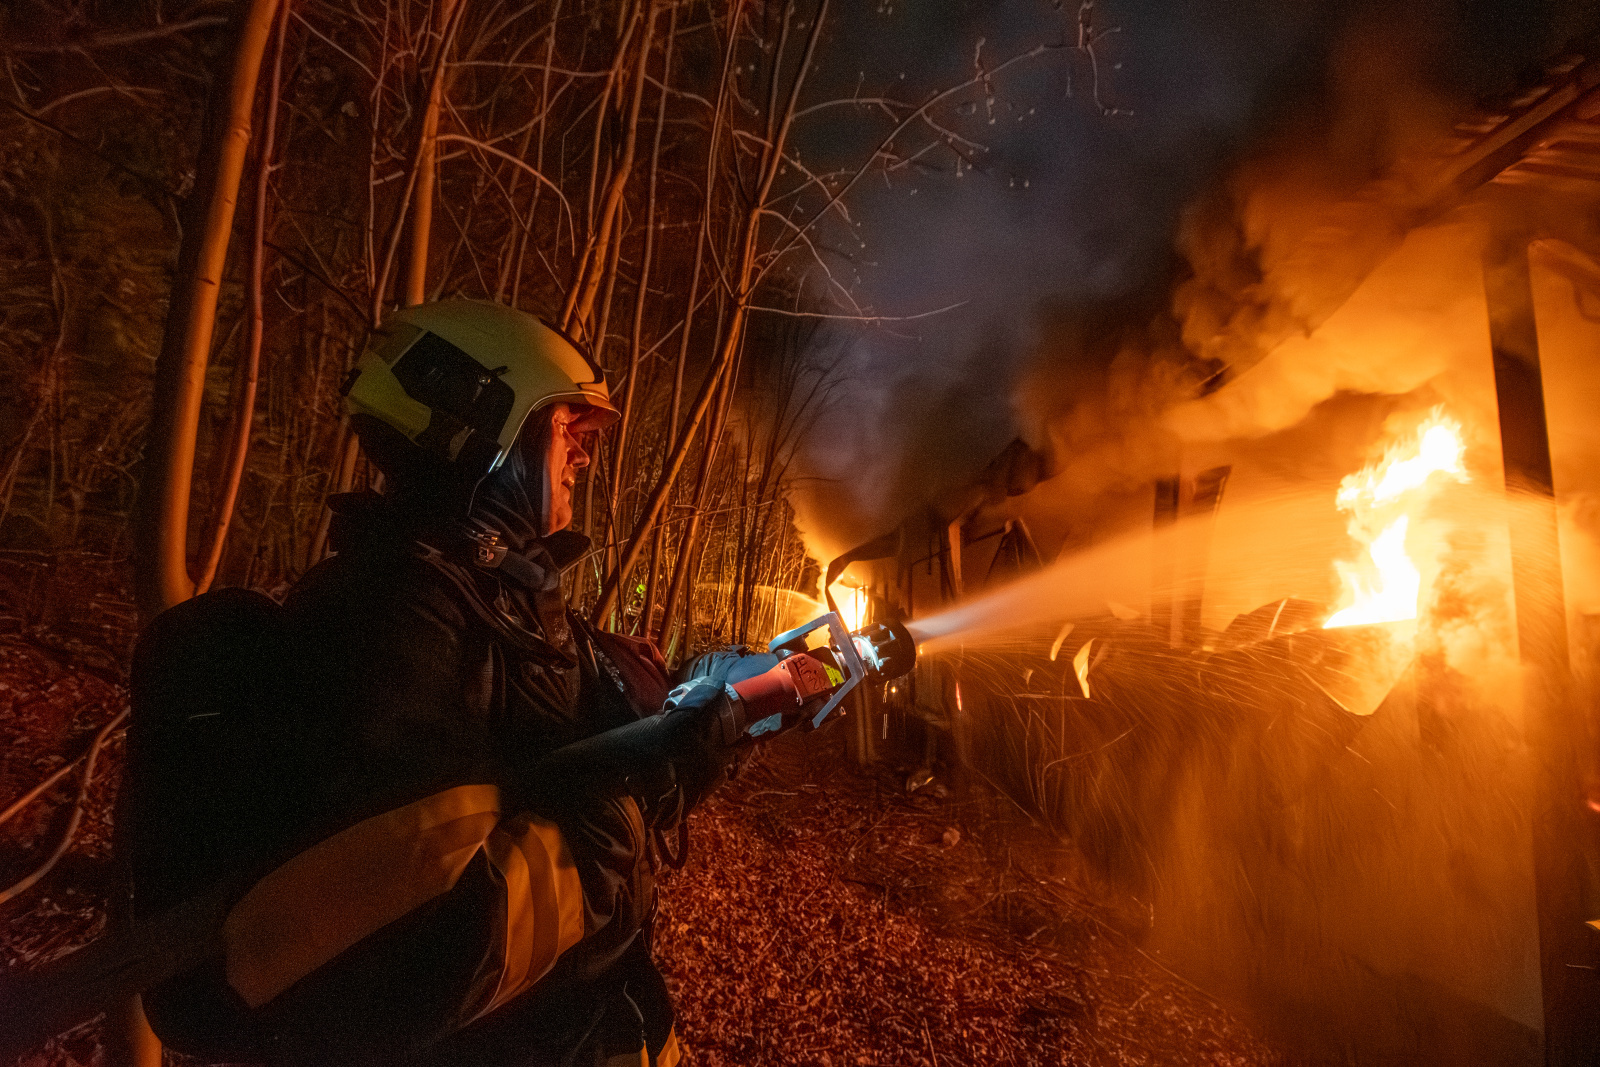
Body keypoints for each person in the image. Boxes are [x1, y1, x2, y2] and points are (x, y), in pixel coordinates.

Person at [137, 300, 754, 1066]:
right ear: (486, 418)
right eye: (571, 429)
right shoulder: (389, 620)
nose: (585, 458)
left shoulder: (503, 606)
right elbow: (420, 954)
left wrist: (695, 739)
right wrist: (627, 803)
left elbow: (558, 786)